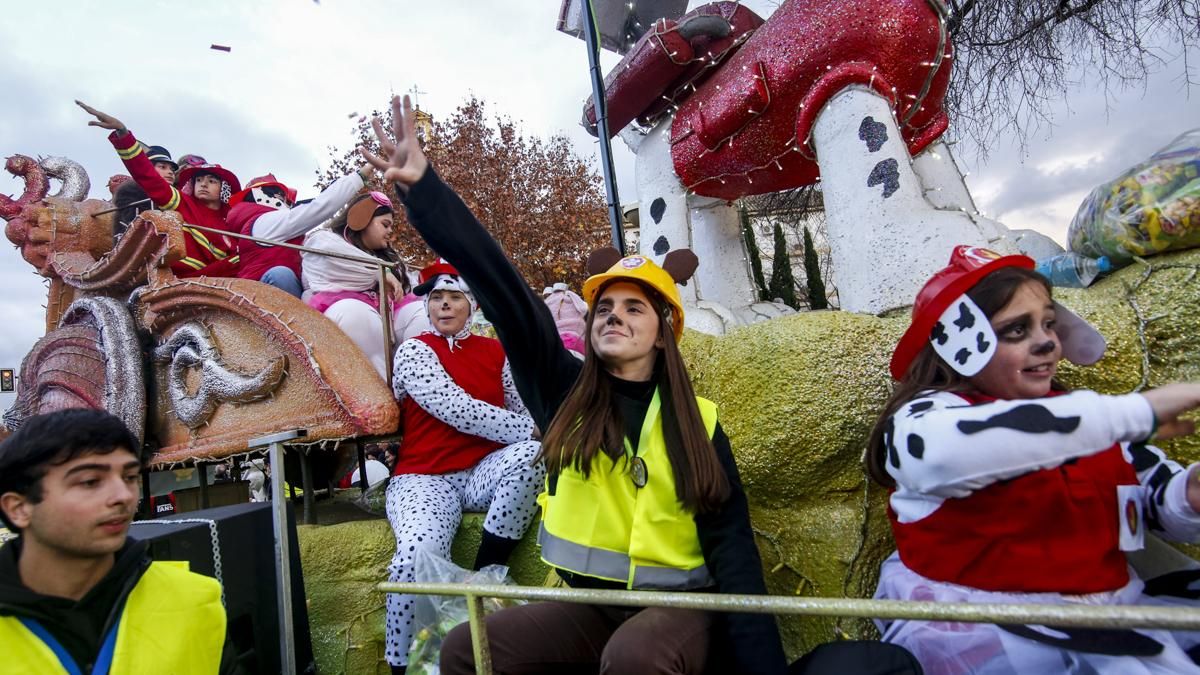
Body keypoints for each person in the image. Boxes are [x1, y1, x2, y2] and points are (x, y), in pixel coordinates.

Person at [362, 94, 787, 675]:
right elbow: (503, 288)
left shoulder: (699, 422)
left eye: (635, 309)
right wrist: (427, 192)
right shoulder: (560, 390)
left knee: (634, 657)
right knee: (465, 648)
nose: (615, 315)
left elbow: (732, 547)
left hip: (683, 608)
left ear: (663, 334)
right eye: (604, 306)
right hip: (593, 604)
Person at [865, 245, 1200, 673]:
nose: (1046, 342)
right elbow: (948, 454)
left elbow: (1152, 500)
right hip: (996, 632)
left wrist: (1189, 492)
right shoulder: (926, 419)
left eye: (1048, 324)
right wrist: (1134, 413)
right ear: (962, 346)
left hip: (1117, 612)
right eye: (1016, 330)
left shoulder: (1088, 416)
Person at [382, 258, 544, 674]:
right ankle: (402, 667)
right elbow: (457, 410)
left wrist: (536, 431)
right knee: (415, 554)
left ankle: (484, 575)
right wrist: (532, 428)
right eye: (437, 298)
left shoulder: (496, 351)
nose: (445, 306)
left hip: (480, 472)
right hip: (424, 480)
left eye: (455, 297)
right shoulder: (414, 350)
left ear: (471, 304)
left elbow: (518, 404)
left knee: (532, 456)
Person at [0, 409, 242, 674]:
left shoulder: (194, 598)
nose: (123, 496)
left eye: (129, 477)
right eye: (91, 481)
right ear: (19, 508)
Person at [77, 100, 241, 278]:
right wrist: (123, 134)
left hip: (214, 284)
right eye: (199, 180)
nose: (203, 184)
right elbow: (147, 177)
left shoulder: (231, 223)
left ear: (224, 188)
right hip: (170, 278)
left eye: (211, 181)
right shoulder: (181, 202)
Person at [302, 191, 409, 379]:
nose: (390, 231)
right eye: (385, 224)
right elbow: (324, 253)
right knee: (355, 315)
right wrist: (379, 272)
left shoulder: (391, 258)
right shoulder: (325, 240)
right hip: (350, 316)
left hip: (390, 321)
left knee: (419, 314)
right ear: (362, 219)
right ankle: (383, 400)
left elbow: (411, 289)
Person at [227, 167, 375, 297]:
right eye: (282, 197)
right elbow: (318, 209)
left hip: (275, 291)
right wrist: (358, 177)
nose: (288, 202)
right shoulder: (264, 222)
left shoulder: (260, 225)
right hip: (260, 295)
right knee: (281, 275)